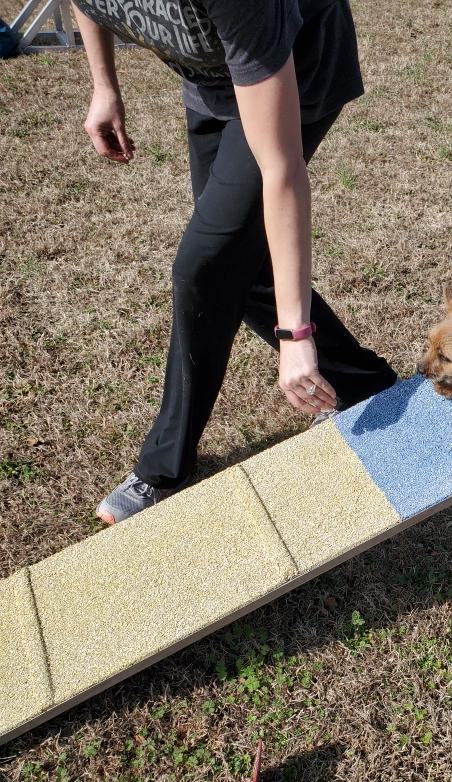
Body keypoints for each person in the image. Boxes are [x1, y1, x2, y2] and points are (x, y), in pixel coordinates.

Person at [69, 0, 397, 524]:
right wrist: (104, 85)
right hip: (211, 80)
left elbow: (281, 170)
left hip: (293, 65)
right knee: (234, 260)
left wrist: (295, 335)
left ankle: (163, 467)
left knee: (205, 265)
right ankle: (358, 381)